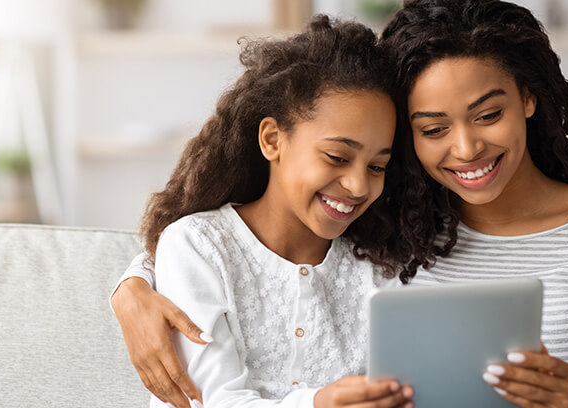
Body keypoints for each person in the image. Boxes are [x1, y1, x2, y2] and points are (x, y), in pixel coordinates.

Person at [111, 1, 568, 407]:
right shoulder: (404, 236)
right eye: (432, 128)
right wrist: (134, 284)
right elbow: (247, 252)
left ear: (529, 99)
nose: (467, 148)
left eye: (489, 115)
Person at [114, 15, 417, 408]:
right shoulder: (201, 245)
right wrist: (317, 404)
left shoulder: (378, 267)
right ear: (273, 139)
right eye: (337, 156)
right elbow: (207, 401)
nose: (359, 185)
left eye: (377, 167)